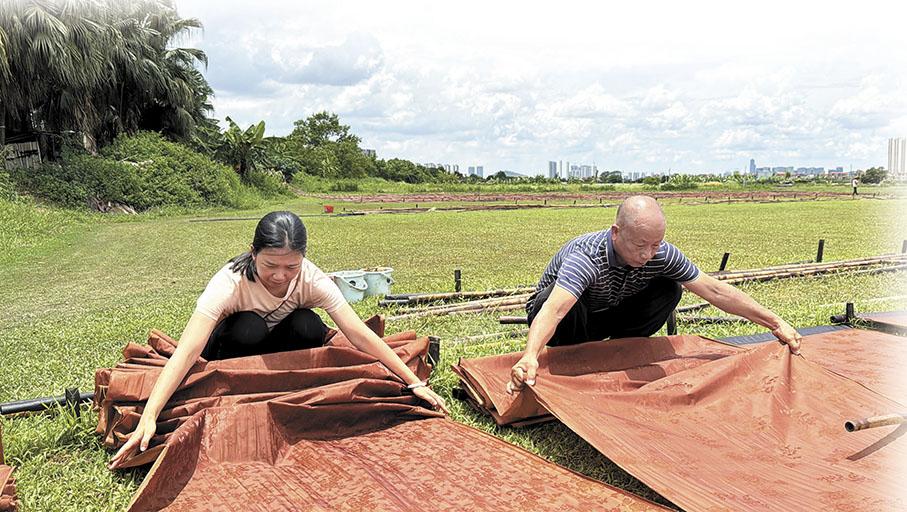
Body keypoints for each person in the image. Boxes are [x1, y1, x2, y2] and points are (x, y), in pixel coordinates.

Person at [110, 211, 448, 469]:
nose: (280, 276)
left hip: (281, 351)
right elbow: (187, 352)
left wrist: (412, 381)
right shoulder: (229, 283)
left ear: (303, 258)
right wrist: (151, 414)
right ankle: (248, 386)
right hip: (233, 350)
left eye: (291, 267)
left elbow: (358, 333)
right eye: (271, 265)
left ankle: (278, 384)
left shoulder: (311, 279)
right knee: (250, 326)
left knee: (307, 324)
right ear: (253, 252)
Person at [507, 195, 802, 394]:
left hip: (611, 310)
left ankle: (621, 351)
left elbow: (713, 290)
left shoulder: (661, 254)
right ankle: (571, 359)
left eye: (655, 245)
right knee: (557, 301)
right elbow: (555, 310)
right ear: (616, 233)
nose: (648, 254)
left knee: (668, 287)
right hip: (570, 319)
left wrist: (774, 322)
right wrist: (530, 356)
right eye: (640, 246)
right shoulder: (585, 257)